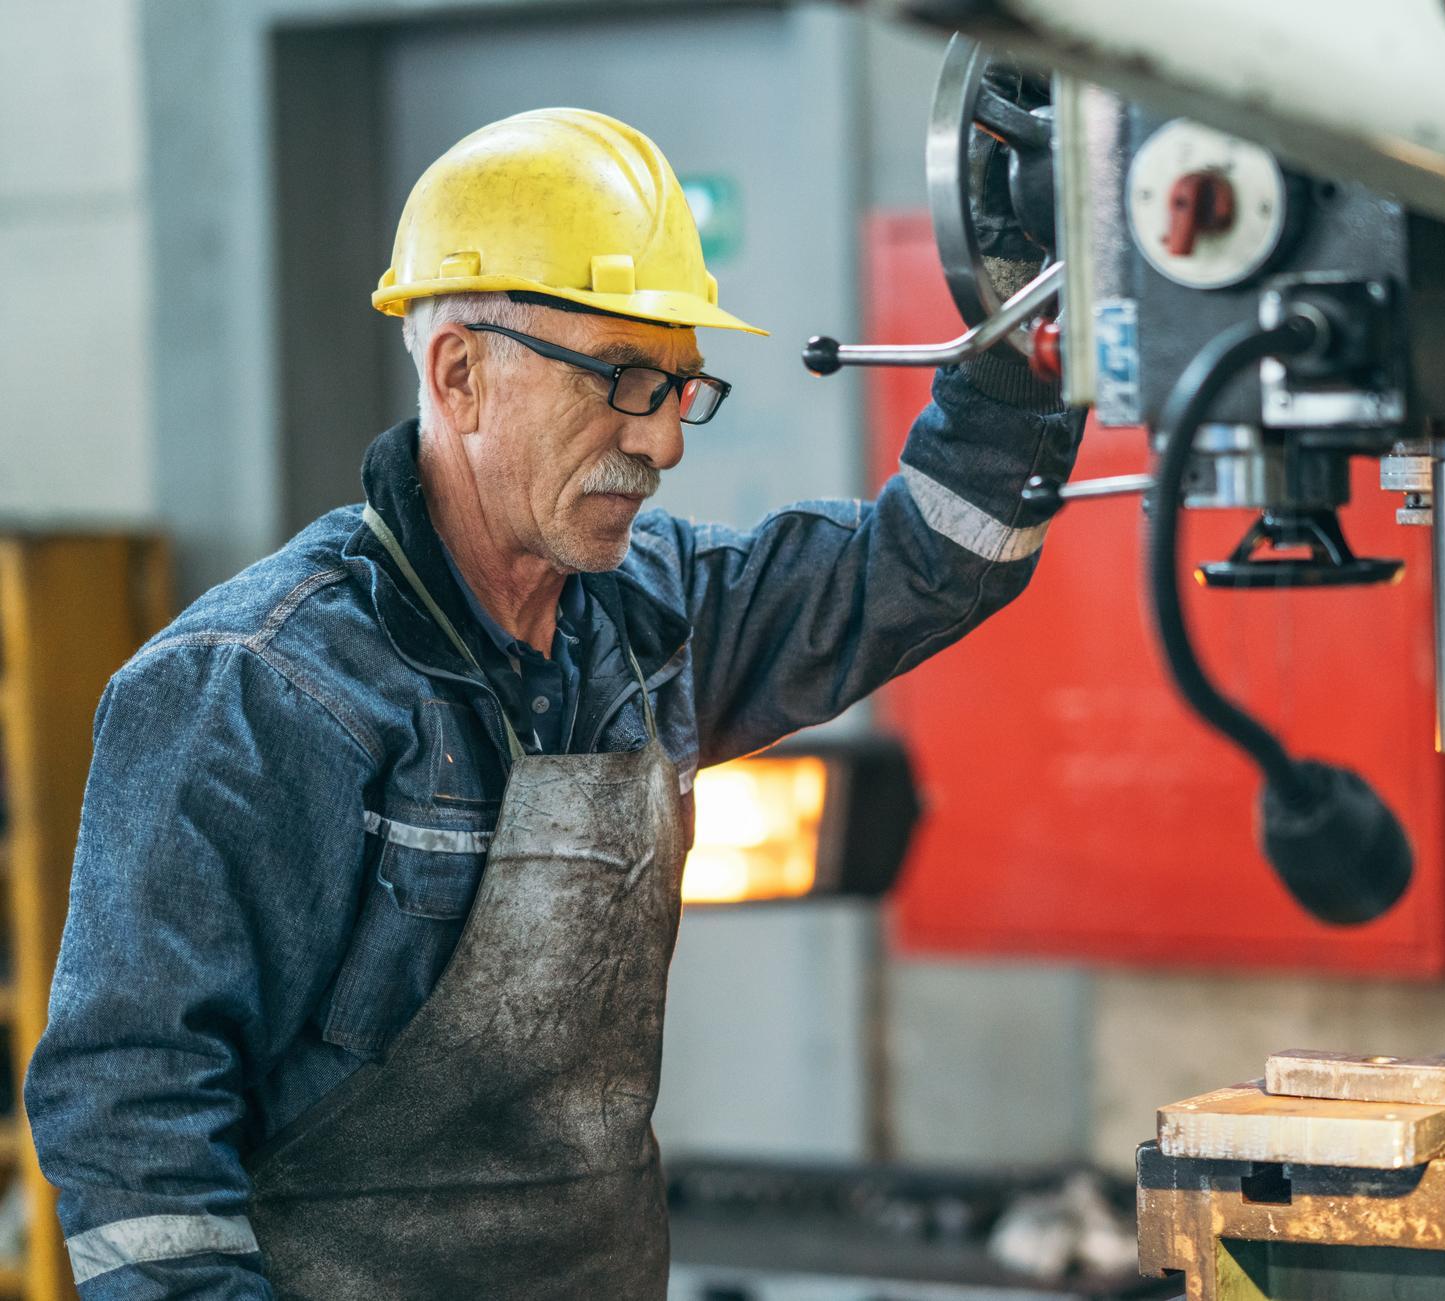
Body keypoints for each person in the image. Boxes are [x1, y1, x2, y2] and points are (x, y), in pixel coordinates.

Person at [25, 108, 1081, 1298]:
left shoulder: (656, 620)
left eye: (684, 388)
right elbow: (133, 1117)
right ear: (459, 373)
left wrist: (1037, 310)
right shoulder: (255, 689)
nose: (664, 444)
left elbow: (931, 560)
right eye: (625, 382)